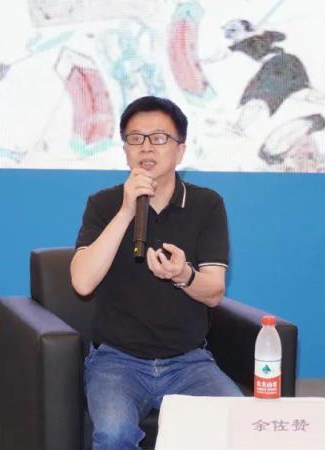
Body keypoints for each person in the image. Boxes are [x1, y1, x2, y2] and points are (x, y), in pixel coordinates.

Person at [70, 96, 242, 449]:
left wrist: (183, 275)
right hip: (116, 361)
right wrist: (126, 212)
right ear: (125, 149)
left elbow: (214, 292)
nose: (146, 147)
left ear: (180, 150)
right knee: (114, 434)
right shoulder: (103, 203)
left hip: (189, 362)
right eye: (136, 138)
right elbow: (82, 283)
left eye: (159, 138)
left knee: (240, 426)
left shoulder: (207, 204)